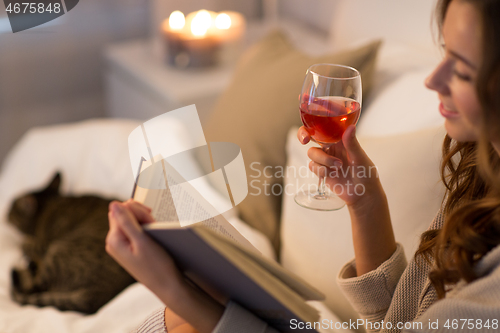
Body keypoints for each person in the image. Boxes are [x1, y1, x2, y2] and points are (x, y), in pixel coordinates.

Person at [105, 0, 500, 331]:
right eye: (444, 52)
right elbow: (394, 322)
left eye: (462, 69)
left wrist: (176, 290)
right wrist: (367, 202)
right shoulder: (484, 173)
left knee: (186, 313)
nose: (434, 79)